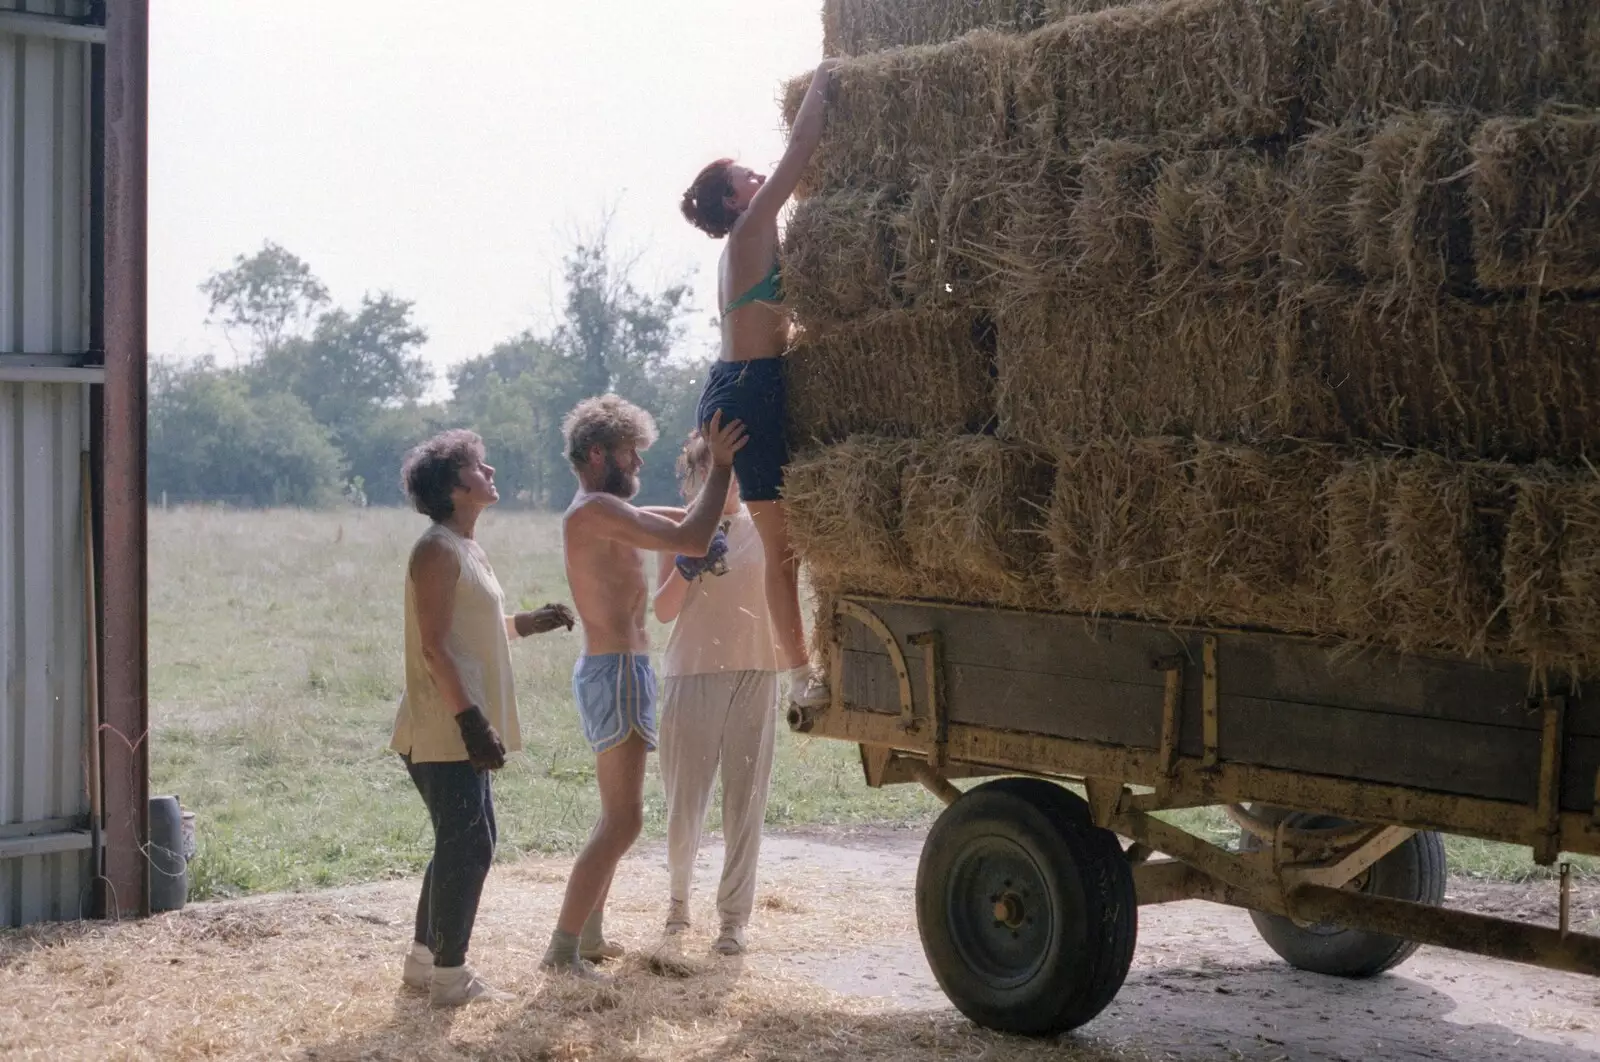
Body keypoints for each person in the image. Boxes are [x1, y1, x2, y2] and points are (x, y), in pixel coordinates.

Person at [540, 394, 747, 979]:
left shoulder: (602, 509)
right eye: (631, 453)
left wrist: (717, 492)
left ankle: (591, 935)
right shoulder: (593, 513)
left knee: (616, 815)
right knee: (624, 820)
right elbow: (693, 536)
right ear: (599, 452)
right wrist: (724, 464)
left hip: (621, 671)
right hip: (616, 672)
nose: (638, 464)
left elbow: (684, 521)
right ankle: (561, 950)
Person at [678, 56, 841, 713]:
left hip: (748, 383)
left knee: (785, 544)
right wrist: (827, 78)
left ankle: (799, 666)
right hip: (747, 389)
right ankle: (799, 676)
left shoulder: (746, 239)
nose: (758, 175)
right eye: (746, 174)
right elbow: (800, 150)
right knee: (780, 550)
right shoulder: (750, 227)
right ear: (732, 198)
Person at [391, 429, 575, 1007]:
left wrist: (528, 622)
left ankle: (424, 964)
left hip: (458, 718)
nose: (490, 469)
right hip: (443, 721)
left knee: (464, 840)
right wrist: (471, 721)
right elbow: (434, 647)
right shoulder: (436, 550)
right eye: (477, 465)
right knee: (470, 845)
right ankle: (450, 977)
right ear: (454, 486)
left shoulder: (467, 549)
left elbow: (474, 632)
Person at [652, 431, 780, 956]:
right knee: (686, 801)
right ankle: (679, 903)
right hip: (693, 672)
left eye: (730, 472)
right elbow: (662, 612)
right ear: (696, 477)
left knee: (745, 800)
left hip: (757, 670)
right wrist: (688, 563)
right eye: (712, 472)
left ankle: (733, 920)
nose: (723, 482)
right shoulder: (679, 530)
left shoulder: (768, 526)